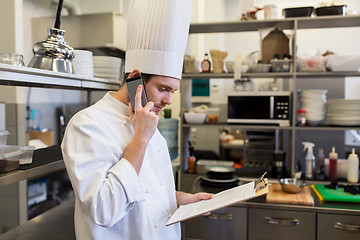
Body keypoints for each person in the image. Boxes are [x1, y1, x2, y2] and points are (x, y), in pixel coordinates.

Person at [61, 0, 212, 239]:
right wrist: (140, 139)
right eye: (163, 88)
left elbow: (148, 194)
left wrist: (184, 200)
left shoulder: (148, 120)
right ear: (135, 78)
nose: (168, 101)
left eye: (172, 91)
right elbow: (104, 210)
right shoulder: (87, 125)